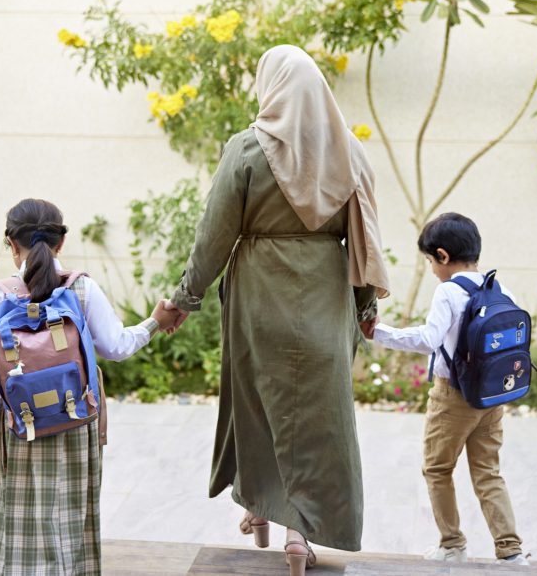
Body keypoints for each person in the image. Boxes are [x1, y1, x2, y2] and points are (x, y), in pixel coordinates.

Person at [164, 45, 390, 576]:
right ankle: (297, 532)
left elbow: (213, 237)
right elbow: (364, 241)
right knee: (317, 419)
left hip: (258, 297)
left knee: (259, 405)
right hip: (325, 296)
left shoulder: (247, 149)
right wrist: (364, 309)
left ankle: (261, 508)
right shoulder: (350, 155)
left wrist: (182, 298)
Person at [0, 198, 178, 576]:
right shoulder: (82, 289)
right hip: (75, 422)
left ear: (11, 245)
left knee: (20, 519)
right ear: (61, 243)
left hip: (22, 428)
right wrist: (154, 322)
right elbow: (116, 347)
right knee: (70, 520)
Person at [364, 212, 529, 566]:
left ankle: (452, 545)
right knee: (487, 471)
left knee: (437, 469)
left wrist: (381, 332)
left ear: (442, 256)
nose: (432, 268)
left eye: (429, 260)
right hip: (491, 396)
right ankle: (511, 550)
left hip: (453, 396)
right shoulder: (500, 288)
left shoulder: (448, 291)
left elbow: (428, 340)